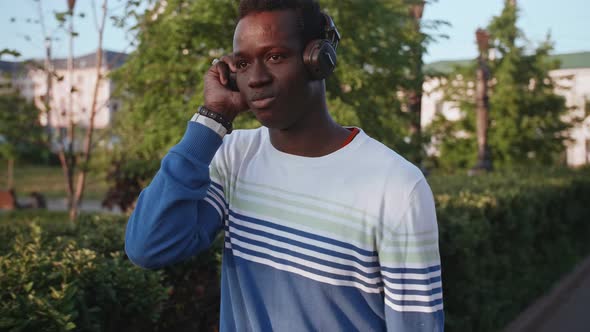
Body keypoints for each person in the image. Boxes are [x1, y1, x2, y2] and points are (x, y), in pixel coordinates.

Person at [125, 0, 444, 330]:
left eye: (275, 56)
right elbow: (148, 246)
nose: (256, 79)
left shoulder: (397, 187)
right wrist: (212, 120)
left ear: (318, 59)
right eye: (243, 63)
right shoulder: (234, 157)